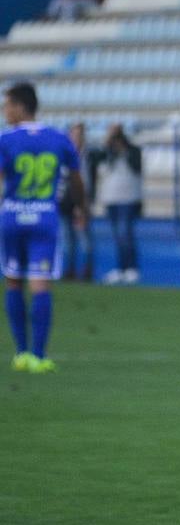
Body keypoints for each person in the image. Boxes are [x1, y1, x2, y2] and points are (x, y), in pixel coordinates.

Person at [1, 82, 85, 373]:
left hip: (12, 216)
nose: (4, 111)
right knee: (40, 284)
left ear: (21, 106)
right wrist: (81, 209)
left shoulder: (6, 139)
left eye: (7, 105)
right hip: (45, 217)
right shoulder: (58, 138)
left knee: (13, 280)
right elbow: (76, 179)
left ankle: (21, 353)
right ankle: (38, 355)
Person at [90, 124, 143, 285]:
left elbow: (136, 166)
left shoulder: (133, 151)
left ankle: (131, 268)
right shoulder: (107, 153)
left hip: (128, 199)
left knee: (125, 234)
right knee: (118, 237)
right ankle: (121, 268)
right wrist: (107, 141)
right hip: (111, 199)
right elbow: (94, 159)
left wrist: (123, 148)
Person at [59, 123, 93, 282]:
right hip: (66, 202)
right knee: (68, 238)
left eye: (79, 135)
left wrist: (82, 205)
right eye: (73, 134)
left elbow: (86, 182)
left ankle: (86, 270)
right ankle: (70, 269)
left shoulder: (86, 156)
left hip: (81, 202)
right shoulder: (64, 155)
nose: (76, 138)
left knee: (83, 237)